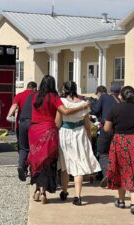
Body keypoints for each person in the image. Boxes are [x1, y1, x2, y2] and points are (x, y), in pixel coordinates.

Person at [27, 75, 89, 204]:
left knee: (36, 159)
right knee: (48, 160)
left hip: (34, 130)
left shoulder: (34, 96)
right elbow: (65, 111)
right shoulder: (53, 97)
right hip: (48, 130)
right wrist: (83, 107)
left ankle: (37, 189)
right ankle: (44, 192)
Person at [103, 86, 134, 215]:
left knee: (120, 169)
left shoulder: (115, 108)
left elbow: (106, 128)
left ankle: (121, 200)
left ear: (121, 96)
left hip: (120, 141)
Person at [56, 81, 101, 205]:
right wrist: (89, 140)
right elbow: (87, 125)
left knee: (65, 164)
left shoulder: (62, 102)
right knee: (79, 164)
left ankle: (65, 191)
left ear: (64, 90)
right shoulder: (83, 103)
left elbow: (57, 123)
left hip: (65, 133)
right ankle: (78, 196)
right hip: (80, 133)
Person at [6, 81, 37, 181]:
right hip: (33, 124)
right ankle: (33, 170)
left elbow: (14, 106)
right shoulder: (36, 95)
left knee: (22, 148)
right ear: (34, 88)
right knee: (33, 148)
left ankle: (21, 166)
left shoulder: (20, 95)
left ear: (27, 87)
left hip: (21, 125)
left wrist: (9, 116)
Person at [92, 83, 121, 187]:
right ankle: (116, 175)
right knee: (113, 152)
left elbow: (95, 110)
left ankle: (107, 174)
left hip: (106, 128)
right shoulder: (120, 101)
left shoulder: (104, 97)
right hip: (117, 130)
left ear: (110, 90)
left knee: (102, 152)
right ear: (119, 91)